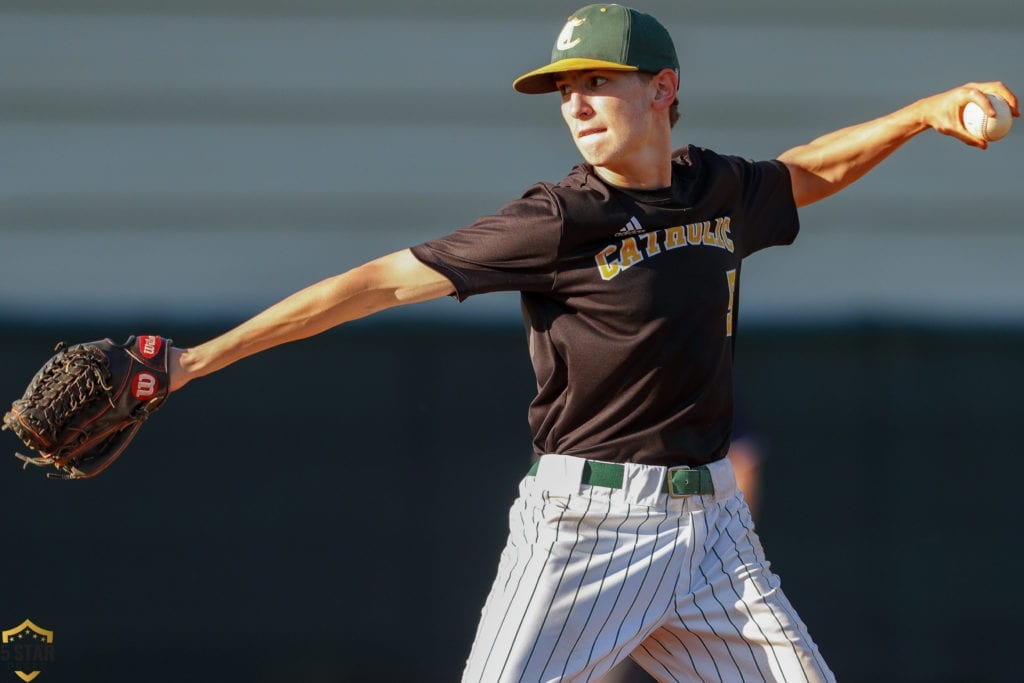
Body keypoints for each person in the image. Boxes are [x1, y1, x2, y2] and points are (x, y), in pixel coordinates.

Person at [165, 4, 1017, 681]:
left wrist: (922, 113)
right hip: (585, 527)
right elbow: (380, 282)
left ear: (661, 87)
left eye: (596, 80)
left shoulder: (712, 189)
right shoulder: (561, 218)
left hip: (715, 531)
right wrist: (197, 360)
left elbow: (809, 172)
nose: (574, 102)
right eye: (563, 87)